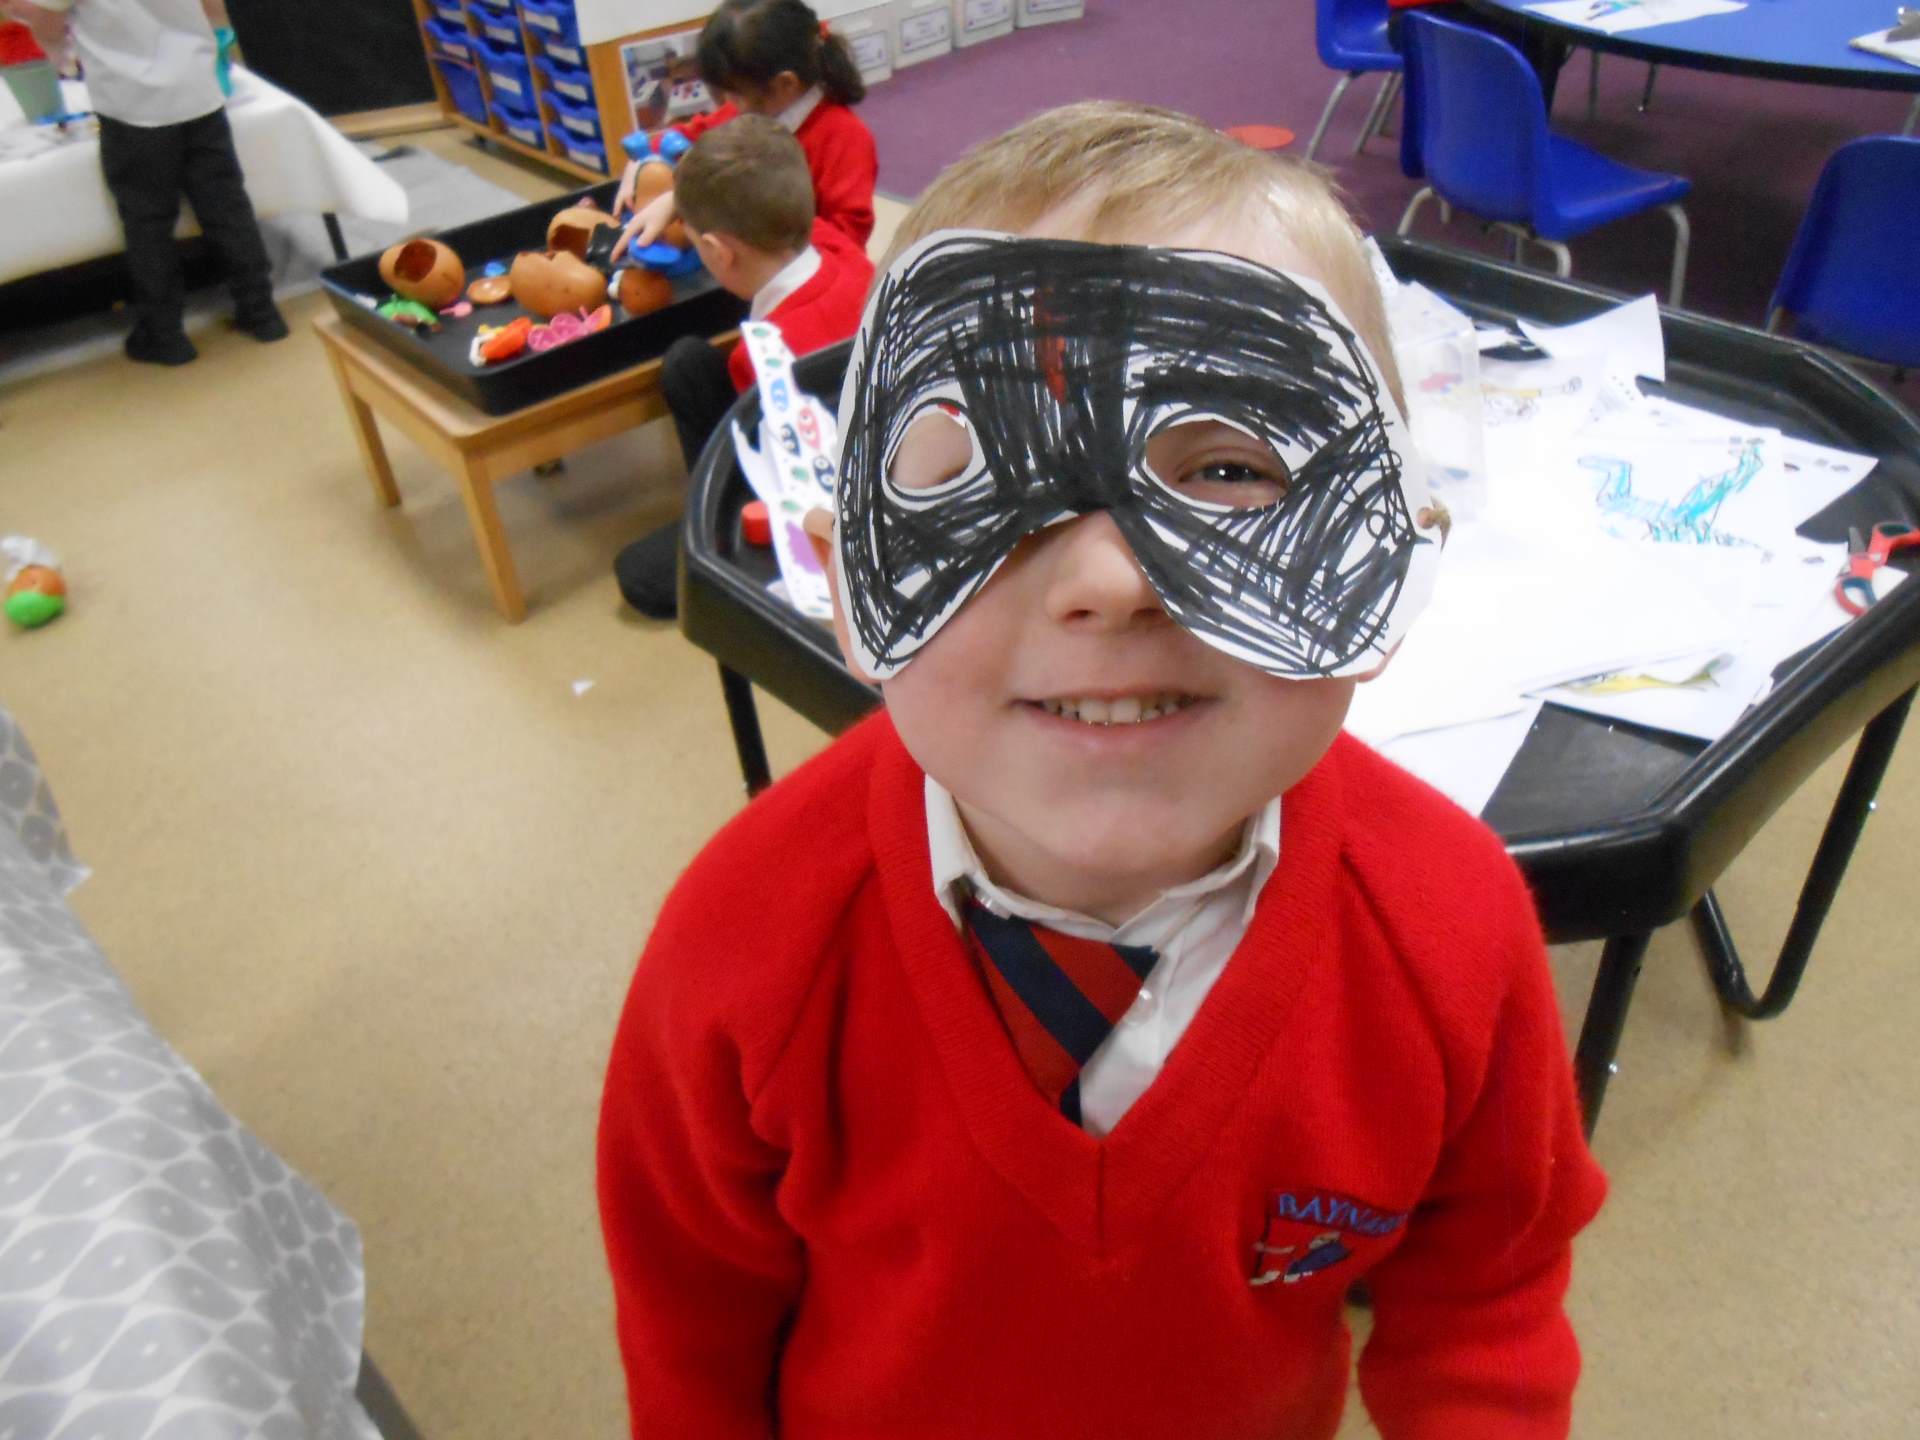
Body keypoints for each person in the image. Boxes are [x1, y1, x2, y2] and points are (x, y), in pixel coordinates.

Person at [598, 101, 1606, 1439]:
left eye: (1230, 469)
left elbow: (1486, 1296)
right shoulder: (749, 947)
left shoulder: (1450, 931)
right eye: (979, 475)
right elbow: (690, 1321)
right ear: (848, 584)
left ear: (1392, 556)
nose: (1111, 577)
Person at [614, 115, 873, 619]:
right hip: (860, 445)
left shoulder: (760, 358)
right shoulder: (836, 245)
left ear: (716, 251)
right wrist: (680, 200)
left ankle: (718, 534)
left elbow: (780, 476)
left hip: (822, 499)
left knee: (638, 575)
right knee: (687, 362)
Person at [3, 0, 286, 366]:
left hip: (132, 105)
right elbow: (213, 6)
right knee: (228, 208)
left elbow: (48, 20)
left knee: (148, 224)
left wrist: (58, 55)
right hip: (197, 87)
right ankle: (262, 312)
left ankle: (165, 334)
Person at [613, 0, 877, 255]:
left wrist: (695, 201)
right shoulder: (751, 109)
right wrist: (642, 162)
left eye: (736, 94)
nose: (729, 103)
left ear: (785, 84)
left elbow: (846, 242)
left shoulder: (846, 139)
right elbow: (688, 135)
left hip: (801, 274)